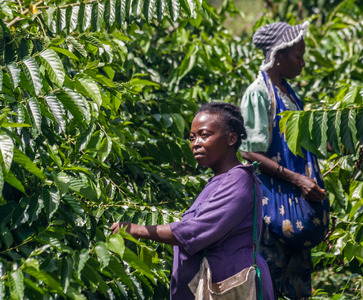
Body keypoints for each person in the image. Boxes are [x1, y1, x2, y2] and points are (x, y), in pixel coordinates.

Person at [111, 102, 275, 300]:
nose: (196, 143)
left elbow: (194, 230)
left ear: (231, 138)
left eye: (204, 135)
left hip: (232, 285)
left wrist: (137, 230)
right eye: (192, 137)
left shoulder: (239, 179)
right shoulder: (217, 181)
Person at [239, 22, 330, 299]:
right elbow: (249, 152)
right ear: (278, 56)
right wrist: (297, 179)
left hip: (296, 205)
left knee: (299, 289)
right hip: (272, 206)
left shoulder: (289, 94)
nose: (303, 63)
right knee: (269, 285)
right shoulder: (259, 93)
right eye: (298, 56)